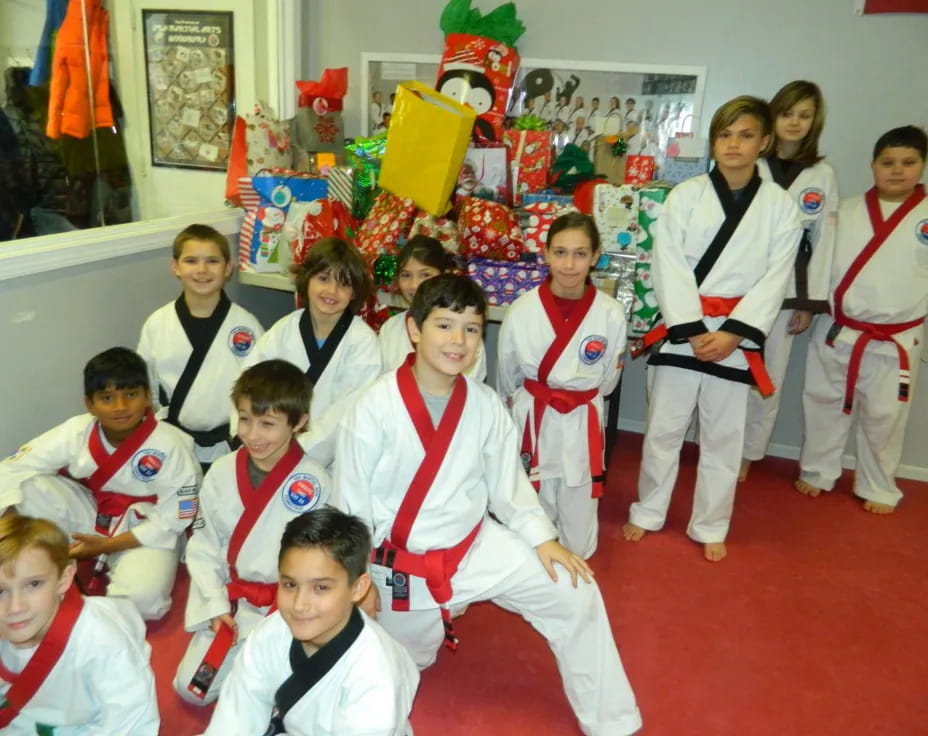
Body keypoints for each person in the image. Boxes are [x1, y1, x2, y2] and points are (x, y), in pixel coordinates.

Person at [334, 274, 642, 736]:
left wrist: (545, 540)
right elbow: (350, 508)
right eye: (444, 325)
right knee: (404, 667)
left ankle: (613, 722)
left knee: (575, 591)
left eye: (472, 328)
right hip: (400, 569)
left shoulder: (485, 405)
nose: (458, 340)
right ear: (414, 329)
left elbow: (509, 490)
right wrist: (359, 581)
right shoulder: (372, 408)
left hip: (473, 549)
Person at [622, 96, 801, 562]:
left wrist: (733, 333)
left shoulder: (781, 207)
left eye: (745, 135)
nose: (734, 144)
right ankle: (647, 511)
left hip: (736, 337)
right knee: (664, 429)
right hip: (686, 327)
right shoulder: (685, 196)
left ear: (764, 142)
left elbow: (777, 276)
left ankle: (710, 524)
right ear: (714, 141)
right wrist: (691, 327)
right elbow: (668, 265)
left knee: (723, 438)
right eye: (725, 134)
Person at [174, 360, 332, 705]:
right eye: (245, 419)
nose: (252, 434)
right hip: (233, 602)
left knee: (277, 694)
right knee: (192, 690)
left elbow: (319, 566)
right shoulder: (220, 471)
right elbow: (203, 544)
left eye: (267, 424)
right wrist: (216, 607)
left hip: (286, 608)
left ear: (299, 422)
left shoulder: (315, 483)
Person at [0, 347, 201, 618]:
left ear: (147, 397)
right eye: (107, 398)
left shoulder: (171, 446)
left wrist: (105, 546)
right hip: (92, 513)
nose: (120, 407)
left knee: (142, 601)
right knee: (24, 488)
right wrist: (10, 526)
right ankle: (39, 564)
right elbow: (15, 466)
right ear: (90, 404)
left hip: (144, 526)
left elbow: (173, 519)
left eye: (131, 395)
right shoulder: (77, 430)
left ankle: (110, 573)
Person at [796, 125, 928, 514]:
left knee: (886, 417)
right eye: (888, 162)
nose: (898, 170)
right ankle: (818, 470)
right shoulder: (847, 210)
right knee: (822, 402)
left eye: (909, 162)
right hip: (839, 329)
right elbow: (821, 264)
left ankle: (879, 484)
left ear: (922, 166)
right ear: (873, 165)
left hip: (896, 337)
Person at [200, 508, 419, 736]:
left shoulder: (375, 676)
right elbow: (233, 723)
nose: (299, 605)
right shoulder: (270, 634)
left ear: (357, 588)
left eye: (321, 588)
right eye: (290, 585)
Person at [497, 213, 626, 559]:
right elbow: (507, 376)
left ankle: (577, 565)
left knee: (579, 517)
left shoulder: (611, 313)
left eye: (581, 254)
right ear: (545, 254)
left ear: (596, 256)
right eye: (560, 252)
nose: (569, 264)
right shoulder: (522, 310)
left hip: (582, 415)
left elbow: (609, 381)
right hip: (534, 414)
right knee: (532, 508)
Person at [740, 82, 838, 481]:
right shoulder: (750, 163)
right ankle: (721, 443)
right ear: (772, 118)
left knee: (769, 375)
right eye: (787, 113)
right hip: (740, 282)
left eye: (805, 115)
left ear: (815, 121)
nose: (795, 122)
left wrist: (808, 302)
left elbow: (825, 240)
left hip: (788, 288)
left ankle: (749, 453)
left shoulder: (822, 173)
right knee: (730, 370)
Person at [0, 515, 160, 734]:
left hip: (92, 719)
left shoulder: (101, 641)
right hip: (31, 712)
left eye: (33, 584)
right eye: (0, 591)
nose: (15, 607)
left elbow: (132, 720)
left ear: (63, 579)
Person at [138, 223, 264, 468]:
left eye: (213, 261)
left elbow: (260, 390)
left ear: (228, 268)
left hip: (231, 445)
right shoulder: (158, 324)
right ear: (175, 266)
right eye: (191, 260)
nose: (202, 270)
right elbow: (147, 389)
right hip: (172, 443)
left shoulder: (246, 326)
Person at [245, 237, 381, 426]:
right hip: (272, 442)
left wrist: (300, 448)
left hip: (331, 451)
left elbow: (348, 412)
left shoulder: (362, 342)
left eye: (344, 283)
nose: (332, 290)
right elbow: (249, 384)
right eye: (323, 279)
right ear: (307, 279)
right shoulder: (284, 329)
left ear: (355, 292)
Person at [380, 235, 487, 381]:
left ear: (443, 274)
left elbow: (471, 387)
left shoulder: (466, 334)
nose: (414, 285)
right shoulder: (390, 329)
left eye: (425, 274)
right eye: (406, 275)